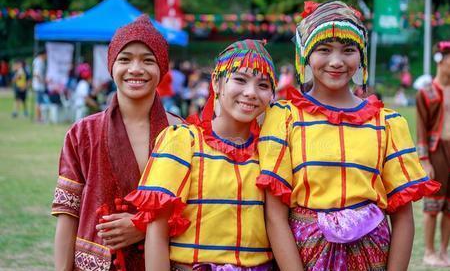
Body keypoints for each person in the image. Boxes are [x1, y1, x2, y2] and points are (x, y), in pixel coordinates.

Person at [256, 0, 440, 270]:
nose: (336, 61)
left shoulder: (387, 123)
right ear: (305, 54)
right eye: (324, 49)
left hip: (372, 258)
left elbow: (402, 218)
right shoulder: (284, 117)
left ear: (361, 57)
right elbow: (274, 215)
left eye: (348, 50)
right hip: (305, 258)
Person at [125, 39, 277, 270]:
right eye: (240, 80)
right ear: (216, 82)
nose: (251, 93)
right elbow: (157, 232)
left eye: (263, 85)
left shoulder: (271, 150)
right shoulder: (183, 141)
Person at [52, 15, 182, 270]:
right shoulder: (82, 133)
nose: (135, 69)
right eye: (125, 59)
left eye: (148, 60)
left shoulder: (182, 132)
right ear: (111, 66)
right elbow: (68, 215)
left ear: (162, 68)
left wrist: (143, 225)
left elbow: (194, 210)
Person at [417, 40, 450, 267]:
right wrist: (424, 159)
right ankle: (428, 251)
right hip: (437, 151)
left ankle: (443, 250)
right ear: (441, 60)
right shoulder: (426, 93)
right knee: (432, 206)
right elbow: (420, 129)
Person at [32, 51, 47, 122]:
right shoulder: (39, 62)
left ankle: (39, 117)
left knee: (39, 102)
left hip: (37, 85)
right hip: (38, 85)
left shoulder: (37, 61)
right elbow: (36, 74)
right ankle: (39, 118)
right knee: (39, 102)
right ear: (43, 54)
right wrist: (42, 81)